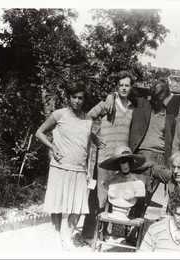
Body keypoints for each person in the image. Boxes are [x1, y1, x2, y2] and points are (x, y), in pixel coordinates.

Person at [35, 82, 93, 248]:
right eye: (74, 97)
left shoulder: (88, 119)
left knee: (78, 206)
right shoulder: (59, 114)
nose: (77, 101)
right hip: (60, 166)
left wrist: (88, 169)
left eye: (80, 98)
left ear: (84, 99)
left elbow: (88, 146)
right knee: (58, 202)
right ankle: (58, 234)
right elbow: (39, 132)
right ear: (69, 97)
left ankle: (66, 233)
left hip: (79, 168)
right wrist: (52, 146)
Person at [81, 71, 136, 243]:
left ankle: (104, 233)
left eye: (127, 85)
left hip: (121, 159)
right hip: (105, 157)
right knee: (99, 196)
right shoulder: (107, 103)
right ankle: (89, 234)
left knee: (116, 196)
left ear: (131, 87)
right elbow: (86, 118)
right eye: (121, 85)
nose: (124, 88)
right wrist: (94, 138)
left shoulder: (133, 108)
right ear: (116, 87)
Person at [128, 78, 178, 218]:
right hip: (142, 155)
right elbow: (130, 92)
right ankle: (129, 225)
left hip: (160, 158)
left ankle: (135, 229)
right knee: (136, 193)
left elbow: (170, 141)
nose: (157, 101)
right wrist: (151, 88)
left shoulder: (170, 117)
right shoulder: (143, 105)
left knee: (147, 197)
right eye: (155, 97)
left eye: (161, 97)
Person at [99, 146, 146, 221]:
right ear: (118, 164)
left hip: (126, 216)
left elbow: (140, 204)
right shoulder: (110, 181)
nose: (125, 165)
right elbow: (107, 200)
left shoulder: (137, 183)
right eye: (122, 162)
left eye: (127, 161)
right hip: (112, 215)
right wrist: (105, 212)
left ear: (130, 162)